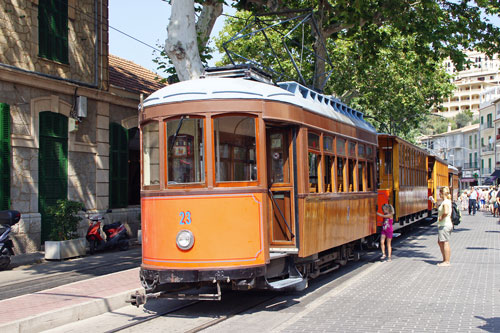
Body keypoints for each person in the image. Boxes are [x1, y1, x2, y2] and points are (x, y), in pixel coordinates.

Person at [437, 186, 453, 267]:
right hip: (445, 224)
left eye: (440, 192)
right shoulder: (447, 201)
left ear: (443, 193)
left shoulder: (446, 202)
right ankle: (445, 259)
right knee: (440, 242)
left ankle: (446, 261)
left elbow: (446, 212)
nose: (439, 194)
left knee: (445, 242)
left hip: (444, 224)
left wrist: (441, 217)